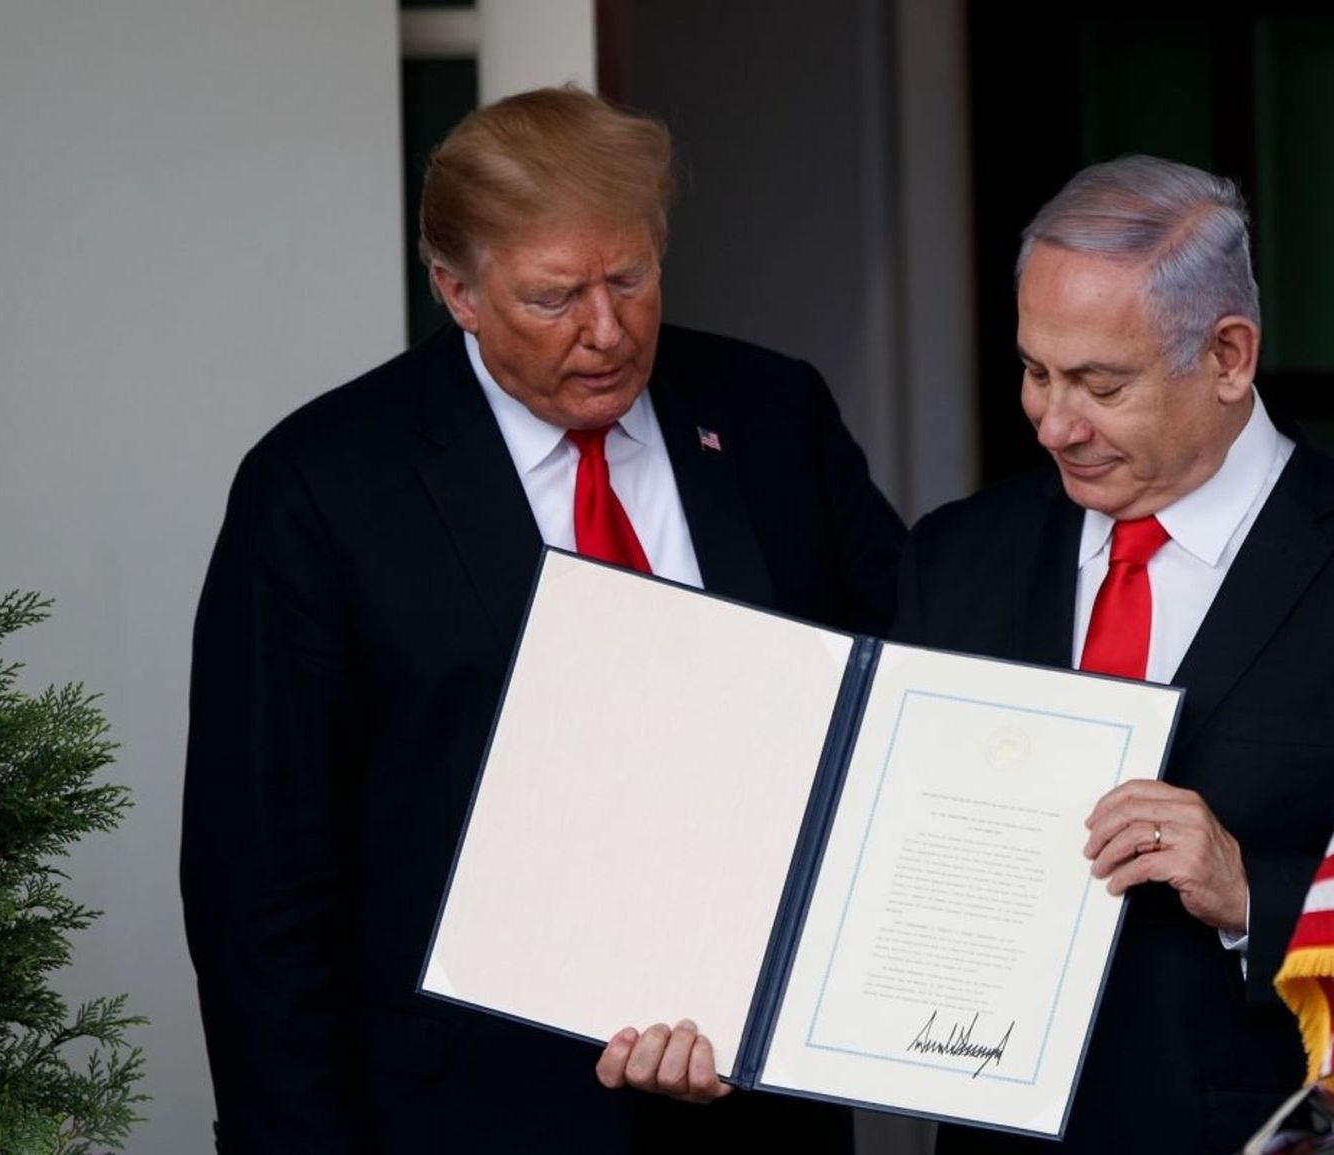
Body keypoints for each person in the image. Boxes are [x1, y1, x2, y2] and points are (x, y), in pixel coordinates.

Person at [180, 86, 903, 1153]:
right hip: (462, 1114)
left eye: (630, 278)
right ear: (455, 292)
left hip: (751, 1109)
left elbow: (899, 692)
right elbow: (261, 885)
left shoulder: (769, 415)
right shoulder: (322, 486)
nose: (605, 332)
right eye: (554, 298)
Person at [891, 155, 1334, 1154]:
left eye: (1099, 383)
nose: (1052, 421)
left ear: (1227, 357)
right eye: (1035, 370)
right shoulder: (952, 559)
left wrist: (1253, 892)